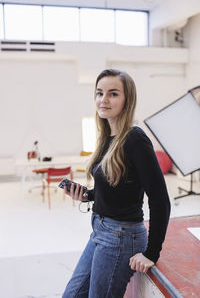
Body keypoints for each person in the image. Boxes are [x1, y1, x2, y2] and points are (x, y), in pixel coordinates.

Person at [62, 69, 171, 298]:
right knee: (72, 295)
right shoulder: (106, 137)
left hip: (121, 237)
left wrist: (152, 253)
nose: (103, 99)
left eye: (113, 94)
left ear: (126, 99)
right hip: (100, 230)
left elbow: (160, 198)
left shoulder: (135, 139)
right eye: (100, 93)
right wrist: (88, 195)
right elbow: (117, 185)